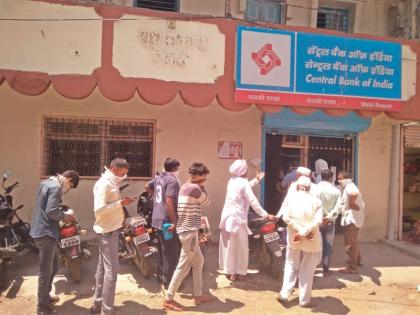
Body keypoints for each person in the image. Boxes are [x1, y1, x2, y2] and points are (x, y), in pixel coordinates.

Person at [163, 162, 213, 311]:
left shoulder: (185, 186)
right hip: (189, 232)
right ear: (198, 176)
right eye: (204, 176)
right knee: (183, 266)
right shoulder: (195, 188)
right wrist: (203, 187)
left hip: (187, 230)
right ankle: (169, 298)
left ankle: (198, 295)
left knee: (198, 262)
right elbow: (208, 202)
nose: (205, 179)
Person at [30, 170, 80, 315]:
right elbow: (51, 212)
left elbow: (44, 207)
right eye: (70, 186)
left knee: (54, 267)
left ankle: (45, 297)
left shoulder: (46, 183)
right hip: (46, 233)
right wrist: (66, 216)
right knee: (45, 271)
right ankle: (42, 308)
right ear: (68, 179)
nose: (67, 189)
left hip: (40, 230)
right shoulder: (56, 187)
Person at [90, 158, 136, 315]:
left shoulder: (112, 182)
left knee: (102, 268)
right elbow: (100, 209)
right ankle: (107, 310)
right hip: (107, 232)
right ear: (115, 169)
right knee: (112, 272)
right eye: (123, 172)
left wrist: (121, 210)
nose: (125, 175)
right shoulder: (105, 183)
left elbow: (111, 205)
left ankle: (97, 303)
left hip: (111, 229)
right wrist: (121, 203)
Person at [219, 159, 275, 281]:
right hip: (238, 219)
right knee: (242, 246)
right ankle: (240, 272)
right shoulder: (242, 183)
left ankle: (230, 272)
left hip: (229, 217)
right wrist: (265, 215)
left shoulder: (232, 180)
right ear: (243, 170)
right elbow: (253, 200)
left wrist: (256, 180)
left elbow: (244, 188)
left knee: (230, 245)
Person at [277, 176, 323, 307]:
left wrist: (299, 231)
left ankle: (285, 294)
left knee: (290, 265)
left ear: (297, 186)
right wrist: (305, 232)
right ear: (309, 188)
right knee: (308, 269)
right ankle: (304, 300)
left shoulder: (290, 199)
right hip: (311, 238)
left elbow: (286, 218)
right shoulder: (316, 201)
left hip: (294, 238)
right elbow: (318, 221)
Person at [146, 158, 182, 288]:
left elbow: (147, 186)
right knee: (171, 252)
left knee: (162, 249)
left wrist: (155, 198)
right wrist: (175, 221)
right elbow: (169, 201)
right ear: (175, 168)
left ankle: (162, 276)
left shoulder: (159, 177)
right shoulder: (172, 180)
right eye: (178, 168)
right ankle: (170, 282)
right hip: (167, 220)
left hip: (157, 219)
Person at [337, 171, 365, 274]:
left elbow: (353, 194)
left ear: (347, 178)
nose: (339, 181)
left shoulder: (350, 187)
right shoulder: (348, 186)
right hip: (353, 218)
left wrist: (352, 204)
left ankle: (352, 267)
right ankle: (357, 260)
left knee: (350, 243)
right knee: (353, 241)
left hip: (352, 219)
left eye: (340, 178)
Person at [318, 169, 342, 277]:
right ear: (331, 178)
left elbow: (314, 205)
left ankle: (310, 269)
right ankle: (326, 270)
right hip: (329, 222)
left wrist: (322, 216)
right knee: (327, 246)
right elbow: (338, 207)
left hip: (317, 221)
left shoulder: (315, 189)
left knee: (314, 245)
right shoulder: (336, 191)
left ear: (321, 176)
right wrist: (329, 216)